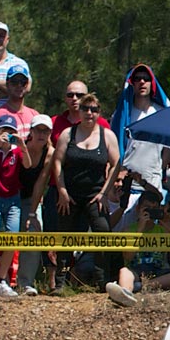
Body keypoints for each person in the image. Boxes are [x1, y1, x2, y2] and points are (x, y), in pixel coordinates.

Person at [52, 94, 119, 287]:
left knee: (103, 232)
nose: (89, 113)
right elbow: (57, 162)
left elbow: (116, 163)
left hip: (95, 195)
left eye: (94, 109)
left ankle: (101, 280)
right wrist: (62, 191)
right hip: (70, 195)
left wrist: (104, 193)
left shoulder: (107, 135)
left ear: (99, 112)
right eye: (85, 109)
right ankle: (61, 282)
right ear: (79, 111)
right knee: (65, 236)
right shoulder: (68, 134)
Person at [105, 191, 170, 307]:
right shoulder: (128, 230)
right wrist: (140, 229)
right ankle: (125, 292)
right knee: (124, 272)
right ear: (138, 209)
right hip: (136, 270)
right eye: (147, 208)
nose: (150, 212)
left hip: (160, 271)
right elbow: (127, 257)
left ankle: (144, 286)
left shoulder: (163, 230)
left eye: (154, 208)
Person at [108, 64, 170, 209]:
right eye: (137, 79)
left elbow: (169, 149)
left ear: (152, 83)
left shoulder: (163, 114)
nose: (142, 82)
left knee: (147, 228)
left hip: (151, 185)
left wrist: (158, 169)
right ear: (132, 83)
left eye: (146, 79)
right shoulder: (121, 115)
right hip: (124, 184)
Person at [0, 113, 34, 296]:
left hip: (13, 199)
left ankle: (1, 279)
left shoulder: (17, 150)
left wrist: (22, 146)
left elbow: (28, 165)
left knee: (12, 237)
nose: (7, 135)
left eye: (11, 131)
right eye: (4, 131)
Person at [16, 114, 54, 295]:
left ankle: (25, 282)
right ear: (30, 131)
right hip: (10, 196)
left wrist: (31, 214)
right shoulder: (18, 147)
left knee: (34, 233)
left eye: (45, 130)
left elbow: (42, 182)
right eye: (38, 129)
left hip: (32, 198)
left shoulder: (50, 152)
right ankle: (2, 280)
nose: (41, 134)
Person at [51, 80, 110, 145]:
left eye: (79, 95)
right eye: (70, 95)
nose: (74, 98)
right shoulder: (54, 122)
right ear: (65, 98)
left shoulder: (101, 123)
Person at [0, 65, 39, 138]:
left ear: (27, 84)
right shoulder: (0, 114)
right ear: (7, 84)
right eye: (14, 82)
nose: (19, 85)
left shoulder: (34, 114)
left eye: (23, 82)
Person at [0, 22, 30, 109]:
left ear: (7, 39)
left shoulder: (18, 63)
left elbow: (27, 87)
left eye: (1, 36)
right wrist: (9, 89)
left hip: (10, 117)